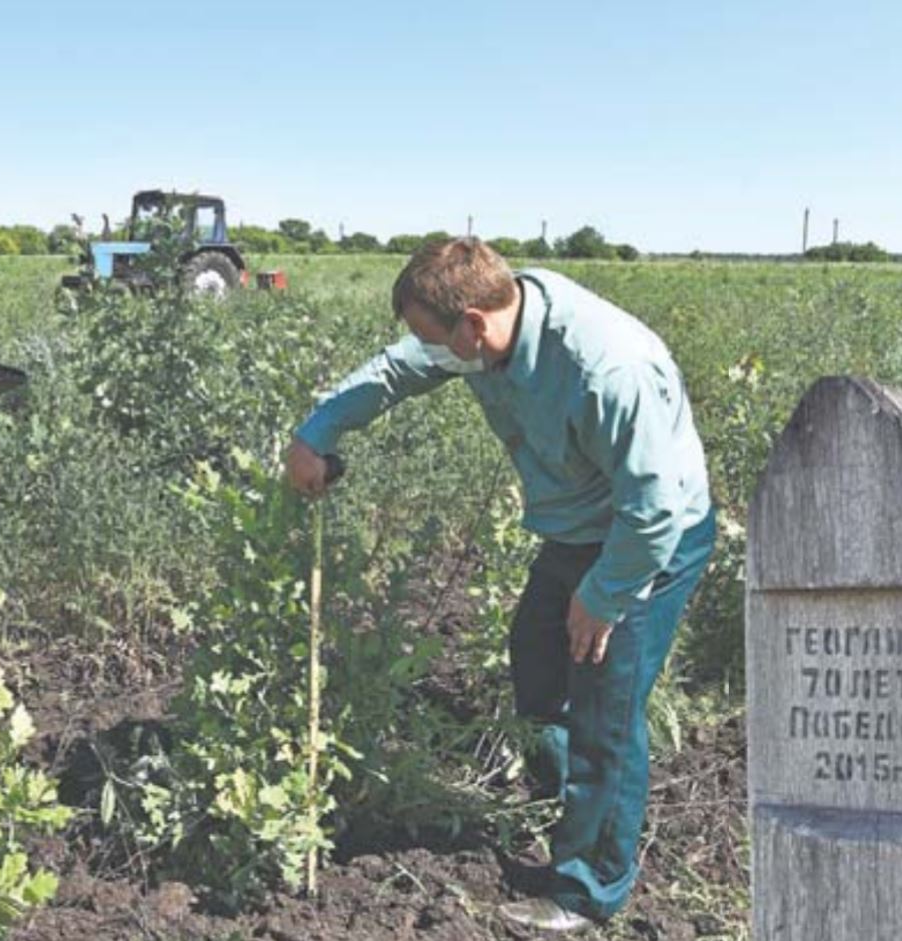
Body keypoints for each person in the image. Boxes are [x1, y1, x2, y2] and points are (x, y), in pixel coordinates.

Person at [284, 238, 714, 932]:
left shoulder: (606, 369)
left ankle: (586, 889)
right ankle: (577, 803)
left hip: (649, 542)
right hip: (579, 530)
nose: (428, 352)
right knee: (539, 666)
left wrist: (602, 597)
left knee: (607, 705)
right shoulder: (482, 331)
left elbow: (655, 508)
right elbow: (398, 370)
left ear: (473, 325)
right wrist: (317, 430)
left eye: (434, 338)